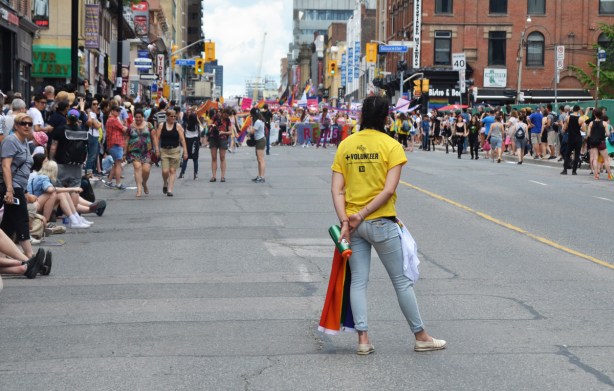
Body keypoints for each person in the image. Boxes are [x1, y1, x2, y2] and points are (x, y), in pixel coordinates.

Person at [331, 95, 446, 355]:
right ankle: (421, 336)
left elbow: (337, 190)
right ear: (386, 116)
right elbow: (388, 190)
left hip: (352, 224)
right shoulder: (392, 146)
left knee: (358, 281)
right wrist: (364, 214)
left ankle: (362, 340)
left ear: (361, 116)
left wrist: (346, 221)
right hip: (380, 221)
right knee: (401, 281)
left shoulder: (345, 145)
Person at [0, 113, 38, 260]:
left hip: (19, 187)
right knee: (22, 218)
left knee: (8, 225)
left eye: (29, 123)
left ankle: (2, 257)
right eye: (23, 123)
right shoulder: (11, 141)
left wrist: (25, 190)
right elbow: (5, 166)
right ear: (16, 125)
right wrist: (10, 189)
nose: (27, 126)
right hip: (12, 187)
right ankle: (29, 255)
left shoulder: (24, 142)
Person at [153, 109, 187, 196]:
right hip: (164, 150)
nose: (173, 118)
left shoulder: (178, 126)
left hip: (175, 150)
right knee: (165, 171)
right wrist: (157, 149)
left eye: (174, 116)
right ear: (167, 117)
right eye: (171, 116)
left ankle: (170, 190)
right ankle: (165, 182)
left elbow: (182, 139)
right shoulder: (162, 125)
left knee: (172, 170)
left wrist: (185, 152)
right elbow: (157, 138)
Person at [126, 110, 153, 197]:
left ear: (143, 117)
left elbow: (154, 137)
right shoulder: (130, 127)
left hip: (146, 151)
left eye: (140, 117)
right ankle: (139, 189)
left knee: (146, 170)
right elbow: (126, 140)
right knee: (137, 167)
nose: (138, 119)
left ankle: (144, 183)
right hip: (134, 151)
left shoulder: (149, 125)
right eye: (136, 117)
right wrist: (124, 152)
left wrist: (156, 149)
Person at [104, 105, 128, 189]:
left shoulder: (109, 119)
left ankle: (109, 181)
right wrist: (127, 127)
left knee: (115, 163)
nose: (118, 112)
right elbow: (123, 129)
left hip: (112, 144)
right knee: (118, 163)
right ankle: (118, 183)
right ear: (112, 111)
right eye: (117, 110)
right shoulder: (113, 120)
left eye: (119, 111)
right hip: (116, 143)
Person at [585, 108, 613, 180]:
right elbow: (607, 134)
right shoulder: (604, 123)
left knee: (595, 158)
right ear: (601, 114)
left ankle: (596, 175)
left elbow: (588, 134)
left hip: (593, 142)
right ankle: (610, 175)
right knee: (606, 159)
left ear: (594, 114)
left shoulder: (591, 123)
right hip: (601, 142)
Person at [208, 108, 231, 182]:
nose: (226, 116)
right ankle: (214, 176)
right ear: (223, 112)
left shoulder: (228, 120)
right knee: (214, 157)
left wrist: (223, 132)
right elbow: (209, 124)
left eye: (228, 115)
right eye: (226, 115)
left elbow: (230, 132)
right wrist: (213, 125)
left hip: (223, 138)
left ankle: (222, 176)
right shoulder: (215, 117)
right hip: (213, 138)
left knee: (222, 157)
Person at [561, 105, 584, 175]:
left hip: (570, 138)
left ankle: (565, 170)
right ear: (579, 110)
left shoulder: (568, 118)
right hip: (578, 138)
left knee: (567, 154)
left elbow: (564, 128)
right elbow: (583, 129)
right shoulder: (581, 119)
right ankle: (574, 171)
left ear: (573, 110)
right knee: (576, 154)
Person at [179, 106, 200, 180]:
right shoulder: (197, 125)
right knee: (195, 159)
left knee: (185, 158)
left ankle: (182, 173)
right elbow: (200, 133)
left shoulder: (186, 125)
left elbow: (183, 132)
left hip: (188, 141)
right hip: (195, 141)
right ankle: (196, 174)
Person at [249, 108, 266, 183]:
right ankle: (259, 176)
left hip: (260, 140)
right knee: (259, 159)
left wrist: (249, 129)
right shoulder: (260, 120)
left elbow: (252, 132)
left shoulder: (258, 122)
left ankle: (262, 177)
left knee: (261, 159)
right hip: (259, 140)